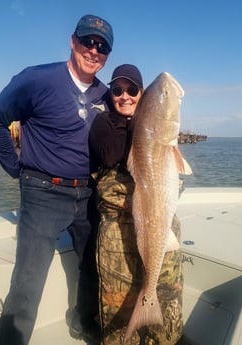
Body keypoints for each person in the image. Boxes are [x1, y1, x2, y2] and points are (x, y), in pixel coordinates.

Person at [0, 14, 114, 345]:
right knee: (28, 282)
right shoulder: (36, 79)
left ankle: (83, 322)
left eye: (102, 47)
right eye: (87, 41)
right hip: (42, 194)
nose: (93, 50)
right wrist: (16, 168)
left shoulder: (105, 94)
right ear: (73, 41)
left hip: (88, 195)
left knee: (90, 268)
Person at [89, 64, 184, 344]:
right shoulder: (103, 123)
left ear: (141, 94)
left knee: (165, 308)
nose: (125, 96)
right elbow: (110, 155)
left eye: (132, 90)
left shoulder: (156, 130)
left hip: (159, 227)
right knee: (119, 312)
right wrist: (144, 128)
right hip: (117, 239)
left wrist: (152, 124)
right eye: (117, 90)